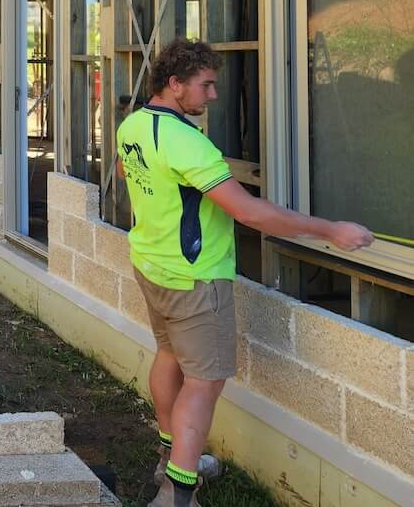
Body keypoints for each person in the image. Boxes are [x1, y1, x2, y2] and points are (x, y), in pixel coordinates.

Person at [119, 39, 374, 507]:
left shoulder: (134, 124)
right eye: (206, 85)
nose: (213, 95)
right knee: (203, 384)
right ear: (175, 85)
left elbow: (127, 171)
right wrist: (330, 229)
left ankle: (170, 456)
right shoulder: (188, 143)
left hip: (151, 267)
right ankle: (177, 495)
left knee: (168, 358)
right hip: (197, 279)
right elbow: (250, 214)